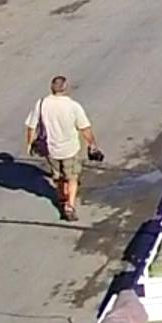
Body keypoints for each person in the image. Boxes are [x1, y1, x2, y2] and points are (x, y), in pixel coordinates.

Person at [26, 76, 100, 222]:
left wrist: (29, 144)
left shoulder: (41, 104)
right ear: (65, 88)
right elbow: (84, 128)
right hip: (70, 149)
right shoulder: (73, 106)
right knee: (72, 178)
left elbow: (31, 126)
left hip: (50, 149)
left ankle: (61, 198)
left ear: (51, 88)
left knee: (58, 176)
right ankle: (69, 206)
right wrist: (92, 144)